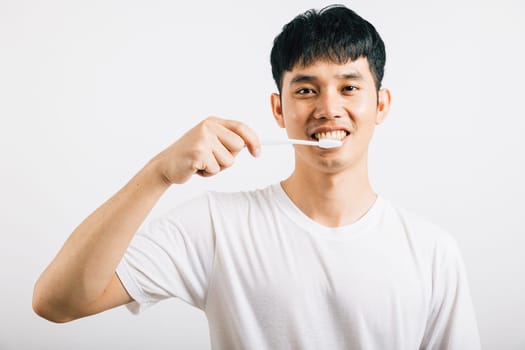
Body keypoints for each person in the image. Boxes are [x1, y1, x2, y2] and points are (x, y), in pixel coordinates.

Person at [33, 4, 481, 349]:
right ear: (278, 109)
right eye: (306, 90)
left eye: (349, 87)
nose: (328, 108)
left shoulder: (432, 252)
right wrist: (158, 174)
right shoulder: (215, 227)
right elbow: (56, 301)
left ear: (380, 105)